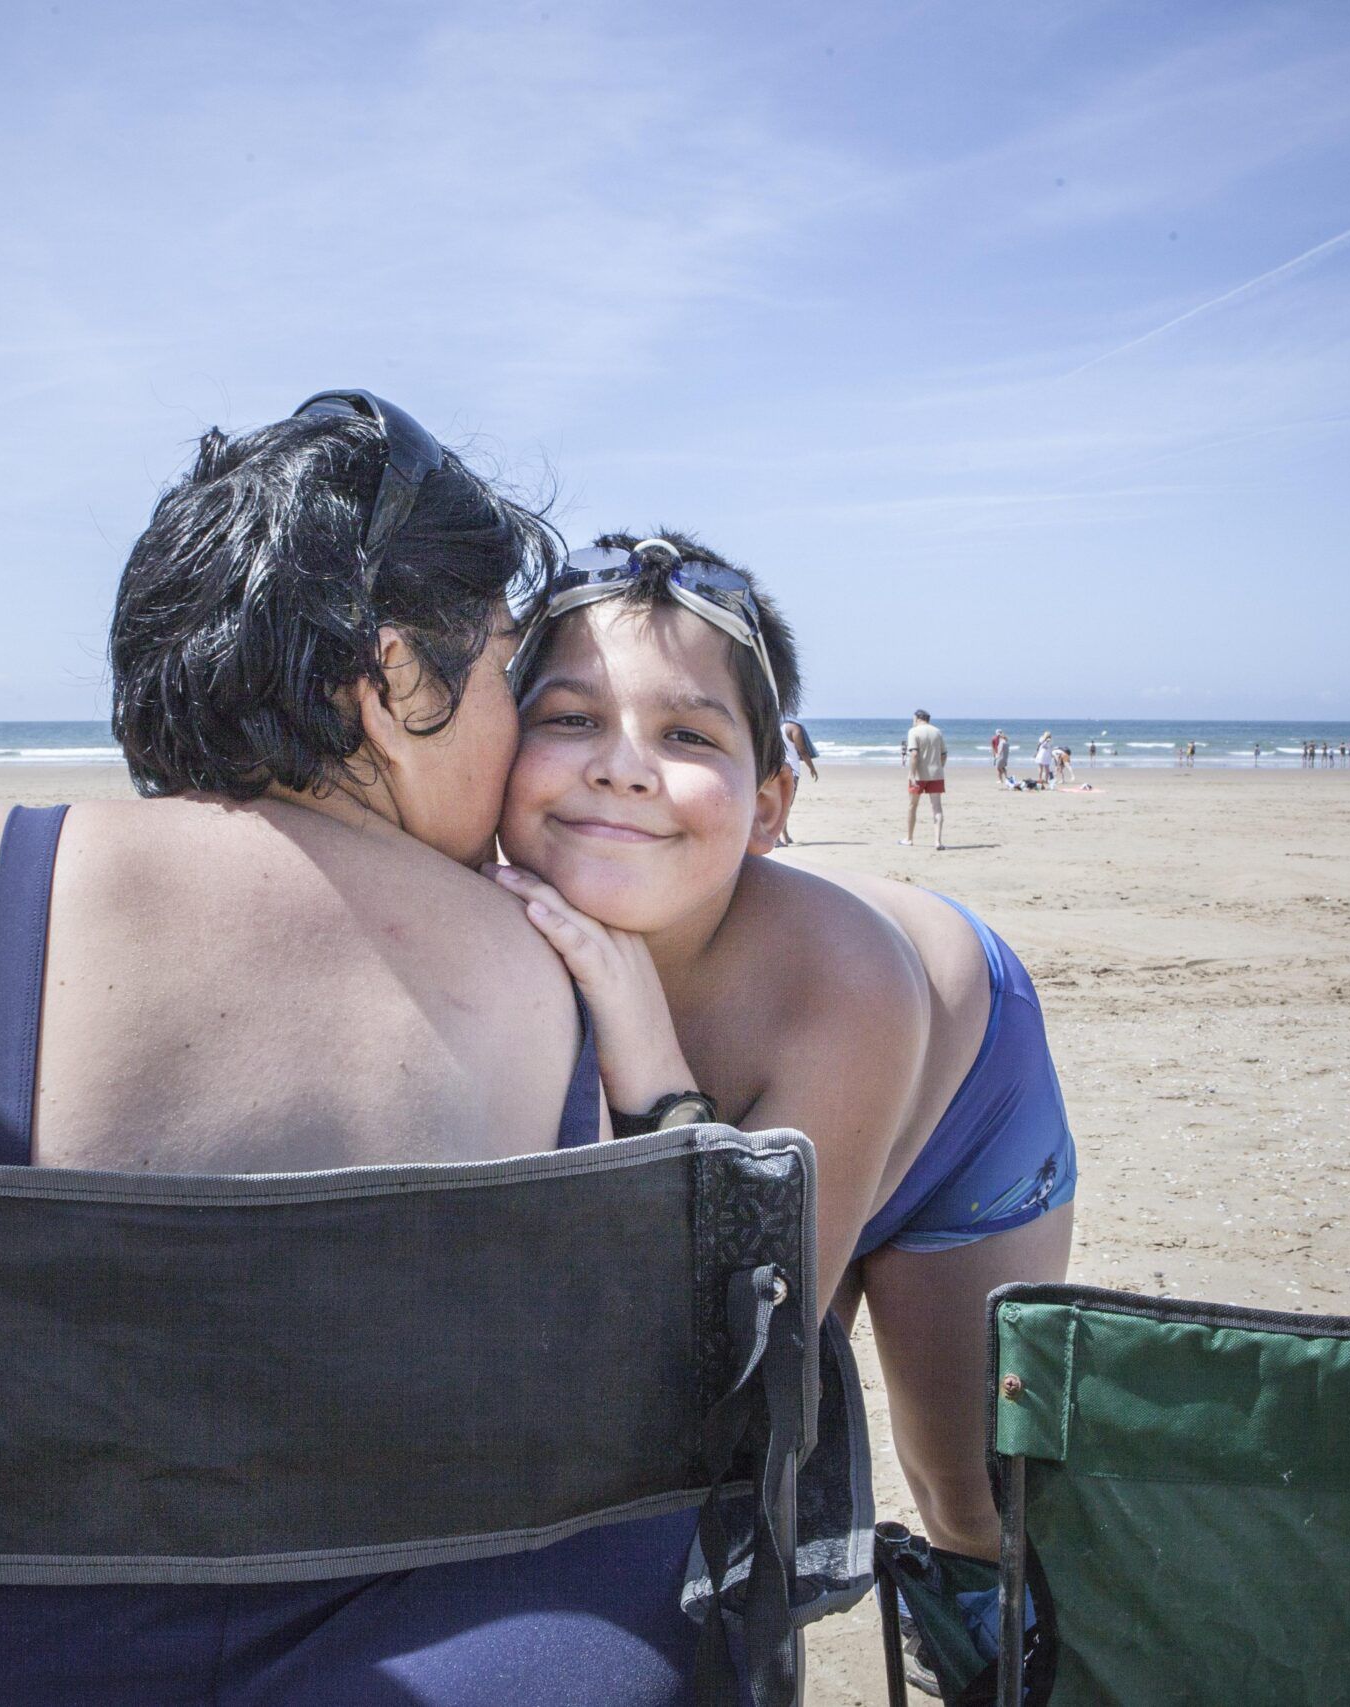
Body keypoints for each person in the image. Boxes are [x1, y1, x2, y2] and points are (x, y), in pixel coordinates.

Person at [0, 394, 730, 1706]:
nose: (517, 722)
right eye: (509, 670)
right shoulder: (541, 962)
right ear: (398, 679)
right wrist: (670, 1093)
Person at [491, 531, 1075, 1671]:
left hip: (961, 1108)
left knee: (966, 1492)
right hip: (763, 1145)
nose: (620, 766)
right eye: (568, 719)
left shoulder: (838, 979)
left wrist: (646, 1044)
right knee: (709, 1525)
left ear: (768, 807)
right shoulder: (462, 918)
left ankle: (997, 1664)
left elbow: (752, 1370)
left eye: (687, 735)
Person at [903, 709, 947, 847]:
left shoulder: (913, 731)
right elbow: (944, 754)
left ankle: (909, 838)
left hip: (919, 775)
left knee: (912, 806)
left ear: (917, 718)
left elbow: (914, 754)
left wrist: (911, 774)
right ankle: (937, 841)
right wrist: (940, 767)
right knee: (937, 807)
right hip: (936, 774)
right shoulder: (937, 731)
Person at [777, 716, 819, 847]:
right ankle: (777, 838)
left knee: (779, 803)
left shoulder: (778, 726)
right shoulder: (794, 728)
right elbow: (802, 750)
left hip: (776, 767)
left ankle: (785, 836)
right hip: (791, 770)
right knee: (786, 805)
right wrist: (812, 768)